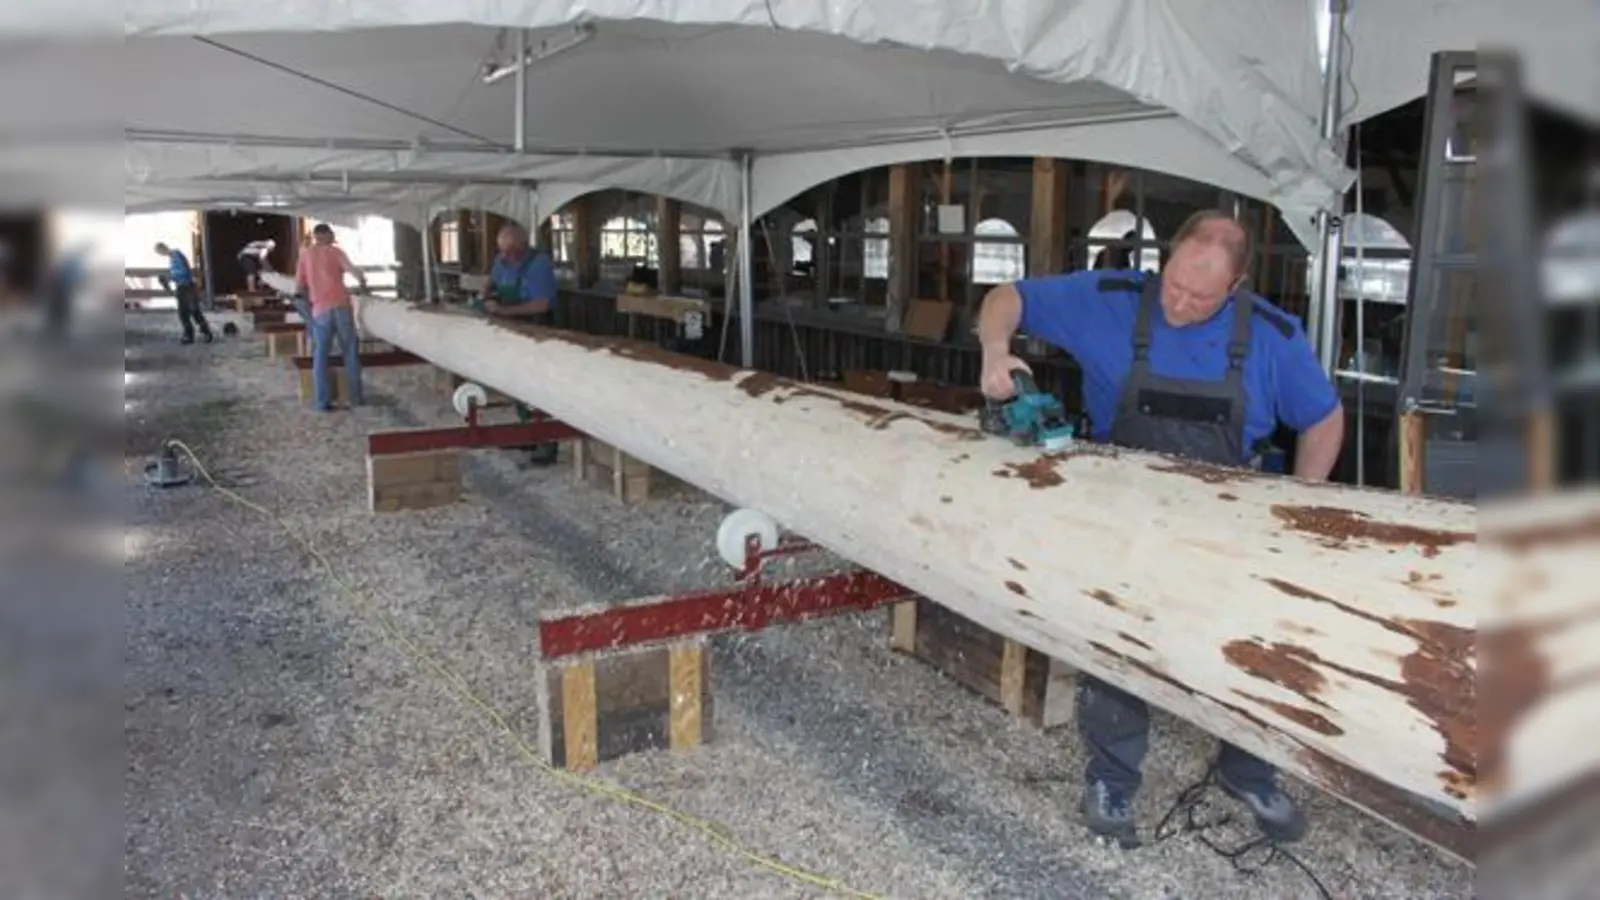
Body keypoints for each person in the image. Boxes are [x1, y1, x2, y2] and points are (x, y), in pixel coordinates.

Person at [974, 210, 1345, 850]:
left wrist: (1300, 507)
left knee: (1249, 643)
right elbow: (1007, 298)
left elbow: (1325, 419)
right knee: (1117, 647)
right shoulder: (1112, 300)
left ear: (1236, 288)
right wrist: (995, 349)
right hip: (1122, 515)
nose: (1178, 303)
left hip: (1228, 518)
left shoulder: (1273, 336)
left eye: (1200, 298)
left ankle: (1247, 768)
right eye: (1173, 283)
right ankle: (1112, 778)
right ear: (1165, 260)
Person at [480, 221, 560, 465]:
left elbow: (542, 304)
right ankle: (528, 432)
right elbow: (491, 283)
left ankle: (546, 442)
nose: (505, 256)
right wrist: (487, 295)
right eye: (502, 251)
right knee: (516, 382)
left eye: (510, 251)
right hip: (511, 328)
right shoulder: (501, 260)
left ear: (523, 246)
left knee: (538, 386)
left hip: (536, 329)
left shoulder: (538, 264)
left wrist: (504, 310)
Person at [294, 223, 368, 411]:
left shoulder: (305, 255)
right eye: (331, 234)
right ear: (326, 235)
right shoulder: (336, 252)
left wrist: (307, 306)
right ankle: (356, 398)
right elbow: (353, 271)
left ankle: (323, 401)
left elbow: (299, 287)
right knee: (350, 352)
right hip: (341, 306)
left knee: (320, 357)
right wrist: (363, 283)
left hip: (320, 310)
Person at [153, 242, 214, 345]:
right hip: (186, 286)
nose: (161, 254)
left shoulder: (175, 256)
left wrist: (169, 278)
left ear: (163, 249)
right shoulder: (174, 256)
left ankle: (192, 335)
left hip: (185, 287)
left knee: (185, 313)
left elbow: (181, 272)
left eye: (160, 252)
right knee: (193, 312)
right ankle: (204, 332)